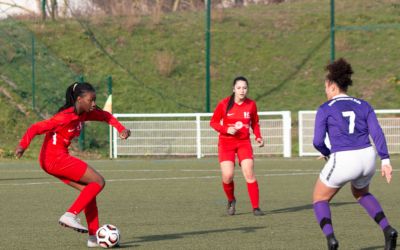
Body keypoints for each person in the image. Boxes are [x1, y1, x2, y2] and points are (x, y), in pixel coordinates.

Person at [15, 82, 130, 247]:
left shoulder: (84, 113)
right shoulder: (65, 116)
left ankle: (93, 238)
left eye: (95, 100)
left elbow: (106, 116)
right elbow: (36, 127)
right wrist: (23, 145)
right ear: (79, 99)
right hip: (55, 159)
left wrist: (121, 129)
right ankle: (70, 215)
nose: (94, 103)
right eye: (91, 100)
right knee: (98, 181)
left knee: (89, 192)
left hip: (52, 161)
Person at [312, 58, 397, 250]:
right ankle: (388, 229)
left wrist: (326, 153)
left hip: (344, 158)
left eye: (326, 86)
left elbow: (317, 141)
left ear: (332, 86)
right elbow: (377, 132)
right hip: (368, 157)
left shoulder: (325, 108)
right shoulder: (363, 104)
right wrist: (385, 160)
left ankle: (331, 240)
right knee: (360, 193)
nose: (325, 90)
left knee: (320, 199)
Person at [210, 76, 265, 216]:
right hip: (226, 143)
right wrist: (225, 129)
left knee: (249, 172)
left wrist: (258, 136)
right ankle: (231, 200)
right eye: (239, 87)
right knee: (228, 176)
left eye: (245, 88)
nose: (242, 90)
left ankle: (256, 207)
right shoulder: (224, 104)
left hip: (243, 143)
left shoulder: (251, 104)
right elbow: (214, 122)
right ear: (233, 89)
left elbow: (255, 123)